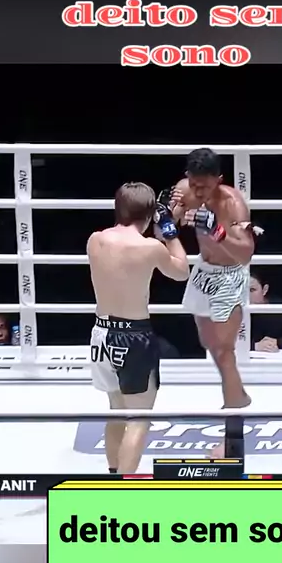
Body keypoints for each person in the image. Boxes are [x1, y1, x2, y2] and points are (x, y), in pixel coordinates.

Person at [87, 182, 189, 474]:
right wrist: (168, 229)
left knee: (117, 411)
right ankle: (125, 488)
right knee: (139, 419)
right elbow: (181, 272)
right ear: (148, 214)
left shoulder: (95, 240)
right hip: (133, 336)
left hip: (101, 333)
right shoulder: (149, 247)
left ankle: (114, 477)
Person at [167, 148, 257, 456]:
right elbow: (164, 230)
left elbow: (246, 253)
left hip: (229, 276)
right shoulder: (184, 191)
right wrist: (170, 217)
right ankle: (238, 396)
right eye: (194, 184)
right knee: (210, 345)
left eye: (204, 186)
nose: (198, 192)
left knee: (224, 352)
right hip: (203, 271)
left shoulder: (232, 204)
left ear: (218, 180)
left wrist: (217, 232)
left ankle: (233, 439)